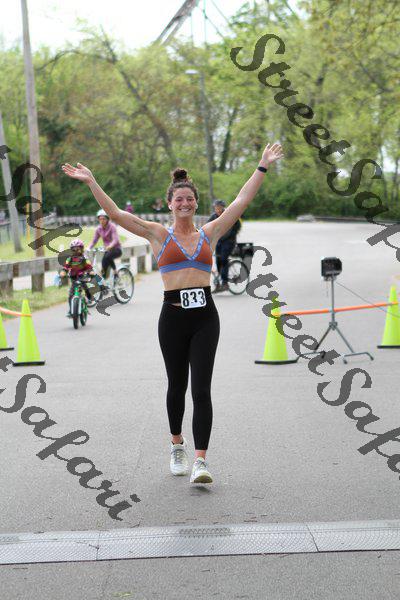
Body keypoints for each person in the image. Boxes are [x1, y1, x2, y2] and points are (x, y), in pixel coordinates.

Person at [61, 143, 284, 484]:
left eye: (189, 199)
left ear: (196, 203)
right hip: (173, 318)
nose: (184, 203)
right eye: (178, 199)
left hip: (205, 317)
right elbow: (117, 214)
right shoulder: (157, 234)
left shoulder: (210, 232)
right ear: (170, 203)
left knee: (202, 390)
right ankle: (177, 444)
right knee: (177, 386)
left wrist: (263, 165)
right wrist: (92, 181)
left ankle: (201, 461)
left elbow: (241, 201)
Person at [208, 200, 242, 292]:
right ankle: (219, 283)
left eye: (219, 207)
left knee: (223, 259)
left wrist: (230, 235)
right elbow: (207, 227)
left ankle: (225, 283)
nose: (217, 210)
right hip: (218, 241)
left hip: (229, 241)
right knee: (218, 261)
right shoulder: (213, 216)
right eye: (216, 208)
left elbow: (237, 226)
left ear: (223, 208)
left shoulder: (230, 215)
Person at [60, 239, 95, 317]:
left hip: (82, 277)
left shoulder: (84, 258)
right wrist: (63, 272)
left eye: (78, 249)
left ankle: (89, 298)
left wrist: (91, 272)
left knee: (86, 288)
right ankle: (71, 310)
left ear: (82, 249)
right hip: (73, 278)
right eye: (73, 250)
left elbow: (89, 266)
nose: (76, 251)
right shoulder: (70, 259)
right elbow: (65, 267)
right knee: (71, 295)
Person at [88, 209, 122, 280]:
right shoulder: (99, 229)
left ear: (107, 219)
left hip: (116, 249)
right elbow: (94, 240)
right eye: (100, 219)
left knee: (107, 257)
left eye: (104, 219)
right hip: (107, 250)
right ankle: (104, 281)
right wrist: (88, 248)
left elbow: (115, 239)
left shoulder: (112, 227)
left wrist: (110, 246)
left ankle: (116, 273)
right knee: (103, 265)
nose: (102, 221)